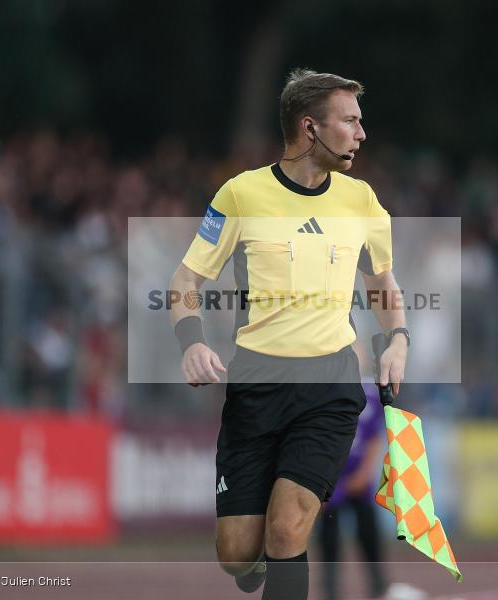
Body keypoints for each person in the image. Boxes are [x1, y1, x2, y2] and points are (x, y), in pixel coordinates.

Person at [169, 68, 410, 600]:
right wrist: (193, 343)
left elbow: (383, 285)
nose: (361, 133)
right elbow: (186, 280)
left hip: (329, 386)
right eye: (349, 121)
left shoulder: (362, 201)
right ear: (310, 128)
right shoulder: (240, 194)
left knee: (287, 528)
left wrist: (397, 339)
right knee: (236, 553)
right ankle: (253, 569)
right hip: (255, 385)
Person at [318, 380, 388, 600]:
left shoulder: (371, 396)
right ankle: (330, 591)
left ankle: (379, 588)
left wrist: (366, 471)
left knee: (368, 533)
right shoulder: (322, 392)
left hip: (359, 476)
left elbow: (376, 436)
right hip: (331, 475)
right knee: (329, 535)